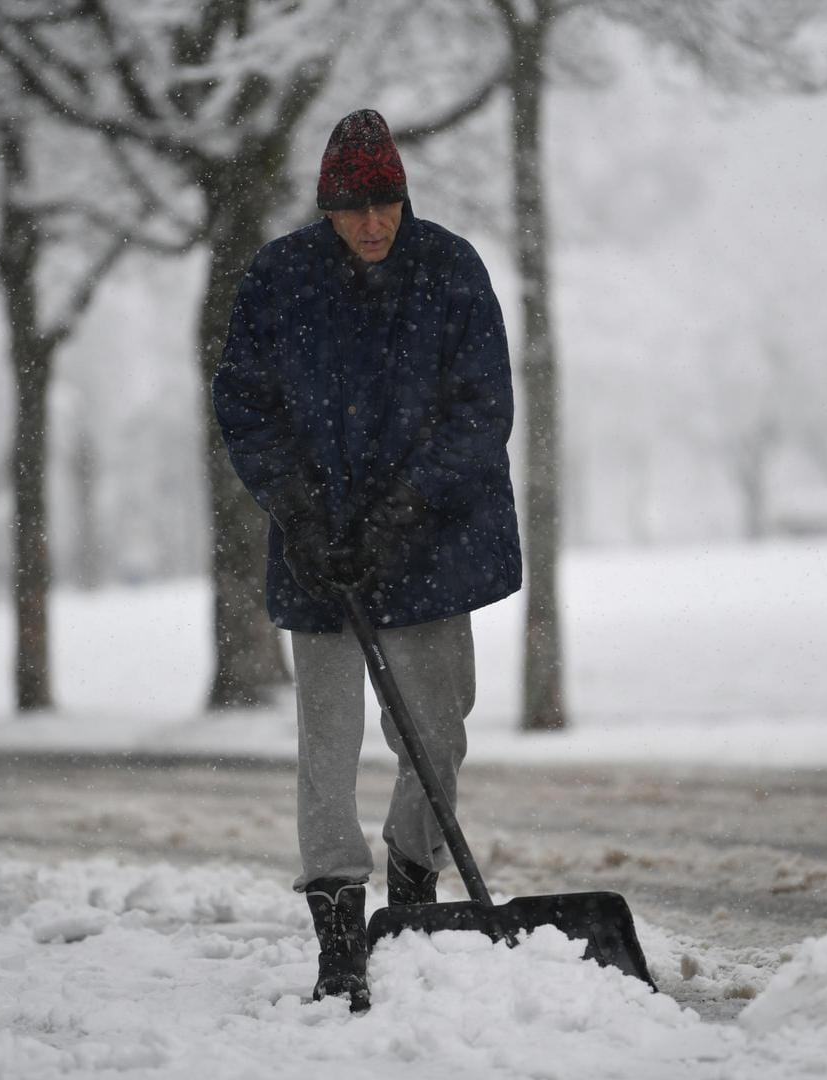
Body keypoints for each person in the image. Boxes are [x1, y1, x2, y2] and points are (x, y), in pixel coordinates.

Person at [211, 108, 522, 1012]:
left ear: (404, 197)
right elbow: (245, 403)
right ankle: (340, 933)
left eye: (387, 203)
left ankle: (415, 881)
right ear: (327, 207)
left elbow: (480, 410)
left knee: (437, 732)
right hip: (320, 554)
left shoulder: (452, 271)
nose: (374, 224)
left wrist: (397, 515)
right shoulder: (280, 280)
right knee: (327, 746)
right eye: (356, 209)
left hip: (430, 542)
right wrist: (305, 515)